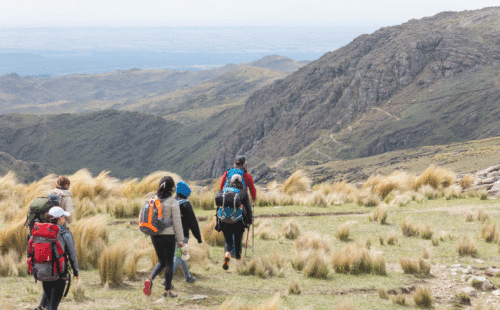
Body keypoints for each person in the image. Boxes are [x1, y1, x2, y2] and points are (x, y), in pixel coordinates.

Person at [143, 176, 185, 298]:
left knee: (161, 261)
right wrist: (181, 240)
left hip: (154, 235)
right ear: (171, 188)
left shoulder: (153, 200)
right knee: (169, 263)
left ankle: (150, 279)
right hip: (168, 236)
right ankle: (167, 291)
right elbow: (177, 223)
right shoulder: (173, 202)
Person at [34, 207, 79, 310]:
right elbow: (72, 254)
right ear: (60, 218)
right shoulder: (65, 233)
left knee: (49, 303)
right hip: (59, 275)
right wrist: (76, 271)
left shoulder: (41, 232)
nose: (64, 219)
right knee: (53, 307)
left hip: (44, 273)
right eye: (63, 217)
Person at [219, 156, 257, 257]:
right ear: (243, 164)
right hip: (240, 204)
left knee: (228, 232)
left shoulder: (227, 173)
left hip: (226, 206)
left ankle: (228, 251)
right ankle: (236, 253)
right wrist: (253, 198)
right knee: (238, 229)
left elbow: (220, 187)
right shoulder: (247, 176)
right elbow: (252, 190)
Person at [219, 174, 253, 270]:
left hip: (224, 220)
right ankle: (238, 263)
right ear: (241, 182)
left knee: (228, 241)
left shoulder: (224, 191)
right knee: (237, 241)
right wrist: (250, 220)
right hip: (237, 221)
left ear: (231, 182)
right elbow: (248, 209)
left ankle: (227, 255)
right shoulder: (242, 193)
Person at [171, 181, 202, 284]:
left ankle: (188, 277)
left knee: (182, 254)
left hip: (171, 235)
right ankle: (168, 280)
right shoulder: (186, 204)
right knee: (178, 256)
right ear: (185, 193)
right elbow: (193, 222)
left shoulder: (171, 202)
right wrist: (198, 237)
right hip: (182, 236)